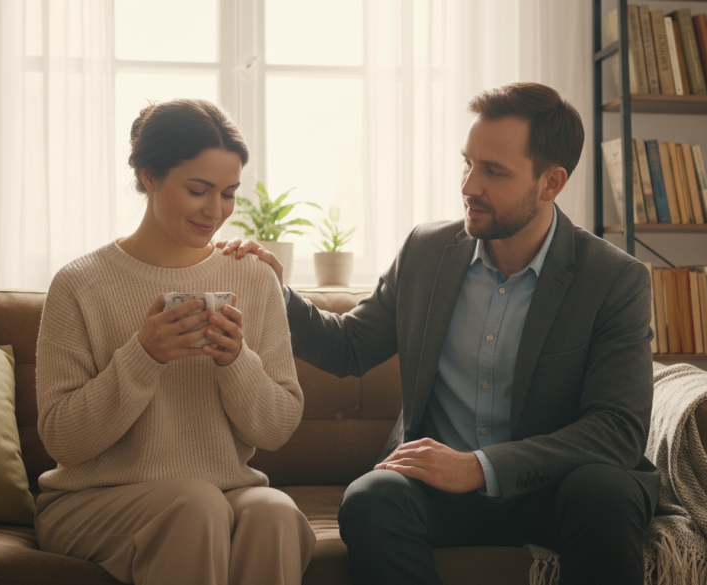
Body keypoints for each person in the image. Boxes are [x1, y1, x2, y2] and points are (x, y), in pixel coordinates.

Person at [221, 82, 659, 585]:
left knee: (609, 492)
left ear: (551, 182)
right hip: (439, 493)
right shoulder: (428, 251)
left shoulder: (613, 278)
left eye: (493, 171)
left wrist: (480, 466)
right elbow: (351, 346)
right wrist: (279, 293)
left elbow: (617, 430)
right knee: (370, 499)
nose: (469, 185)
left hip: (555, 488)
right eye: (467, 163)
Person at [34, 98, 315, 585]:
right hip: (93, 500)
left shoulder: (252, 277)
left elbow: (276, 429)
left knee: (275, 511)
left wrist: (236, 362)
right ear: (148, 176)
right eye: (199, 190)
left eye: (228, 193)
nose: (216, 211)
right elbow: (63, 439)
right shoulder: (79, 283)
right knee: (196, 505)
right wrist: (144, 357)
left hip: (221, 490)